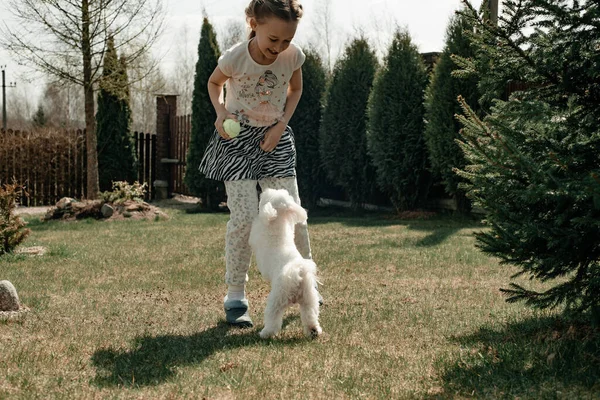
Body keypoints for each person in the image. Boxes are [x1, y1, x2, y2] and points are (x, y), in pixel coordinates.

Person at [199, 0, 314, 328]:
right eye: (273, 39)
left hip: (275, 138)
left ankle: (305, 283)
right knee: (245, 218)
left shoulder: (293, 56)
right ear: (254, 23)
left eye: (286, 40)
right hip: (236, 142)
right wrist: (221, 113)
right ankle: (236, 296)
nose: (279, 48)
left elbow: (296, 89)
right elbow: (213, 83)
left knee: (293, 214)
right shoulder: (236, 57)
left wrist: (280, 126)